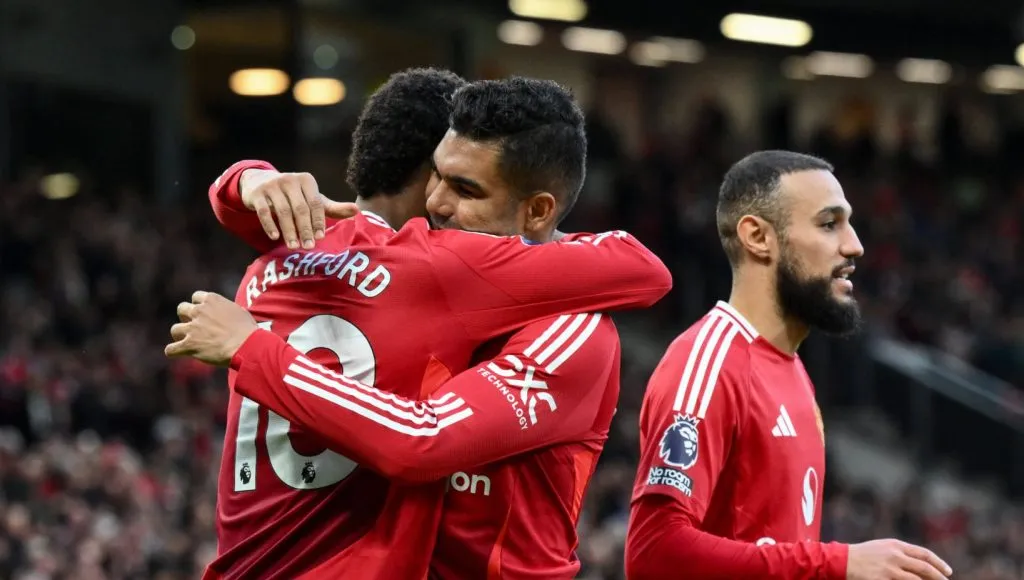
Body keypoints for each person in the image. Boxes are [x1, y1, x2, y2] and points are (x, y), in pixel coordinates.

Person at [178, 72, 671, 579]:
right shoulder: (437, 268)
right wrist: (253, 350)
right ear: (422, 170)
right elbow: (646, 270)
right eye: (439, 177)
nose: (438, 204)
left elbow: (237, 206)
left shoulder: (269, 265)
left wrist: (244, 180)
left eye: (463, 187)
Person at [624, 150, 953, 580]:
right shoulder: (708, 364)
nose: (854, 244)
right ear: (758, 237)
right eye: (828, 223)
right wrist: (838, 563)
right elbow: (653, 554)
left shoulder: (792, 370)